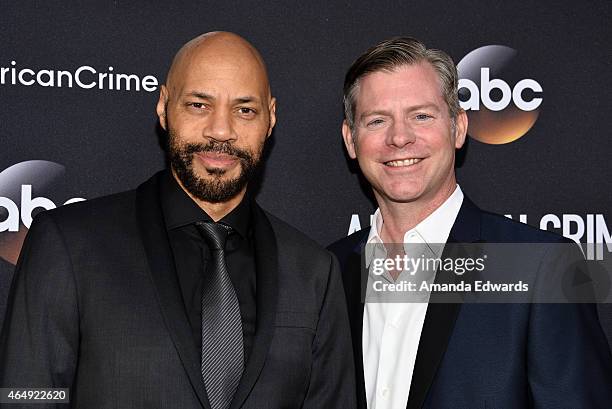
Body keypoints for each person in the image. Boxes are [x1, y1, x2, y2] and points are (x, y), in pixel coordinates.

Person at [0, 32, 355, 409]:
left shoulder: (313, 271)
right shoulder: (68, 244)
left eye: (244, 110)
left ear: (270, 119)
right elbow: (26, 397)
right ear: (164, 107)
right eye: (199, 105)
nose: (221, 130)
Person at [328, 36, 612, 409]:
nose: (399, 137)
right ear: (351, 140)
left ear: (458, 128)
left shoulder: (538, 268)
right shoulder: (328, 271)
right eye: (377, 120)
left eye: (422, 115)